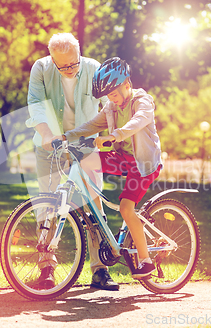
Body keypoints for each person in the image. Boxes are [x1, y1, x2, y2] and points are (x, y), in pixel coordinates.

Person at [25, 33, 119, 291]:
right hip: (50, 146)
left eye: (73, 64)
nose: (69, 70)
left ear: (79, 54)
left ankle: (100, 270)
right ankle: (46, 268)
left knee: (94, 205)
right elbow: (35, 102)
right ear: (52, 59)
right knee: (46, 205)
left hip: (85, 145)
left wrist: (110, 136)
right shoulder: (42, 69)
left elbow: (109, 105)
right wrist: (47, 135)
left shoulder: (93, 68)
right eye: (63, 65)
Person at [59, 57, 163, 279]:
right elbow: (93, 125)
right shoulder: (111, 107)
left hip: (143, 165)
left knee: (126, 209)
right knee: (87, 161)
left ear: (127, 85)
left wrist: (114, 135)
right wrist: (66, 136)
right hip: (123, 157)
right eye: (108, 96)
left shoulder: (142, 101)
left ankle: (145, 261)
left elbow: (138, 121)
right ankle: (96, 214)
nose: (111, 99)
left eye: (114, 94)